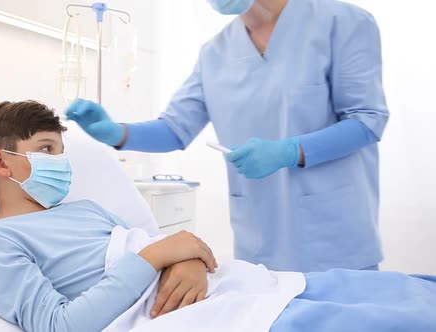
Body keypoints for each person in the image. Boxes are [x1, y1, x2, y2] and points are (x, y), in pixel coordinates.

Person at [0, 101, 434, 332]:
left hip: (231, 281)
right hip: (199, 315)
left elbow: (170, 250)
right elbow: (59, 325)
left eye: (62, 150)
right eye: (46, 149)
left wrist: (185, 258)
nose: (61, 162)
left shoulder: (87, 210)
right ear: (2, 162)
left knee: (391, 288)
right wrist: (159, 254)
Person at [65, 0, 390, 272]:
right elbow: (175, 129)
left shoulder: (342, 23)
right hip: (260, 240)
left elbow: (367, 119)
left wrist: (290, 151)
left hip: (335, 234)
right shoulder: (215, 53)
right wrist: (116, 132)